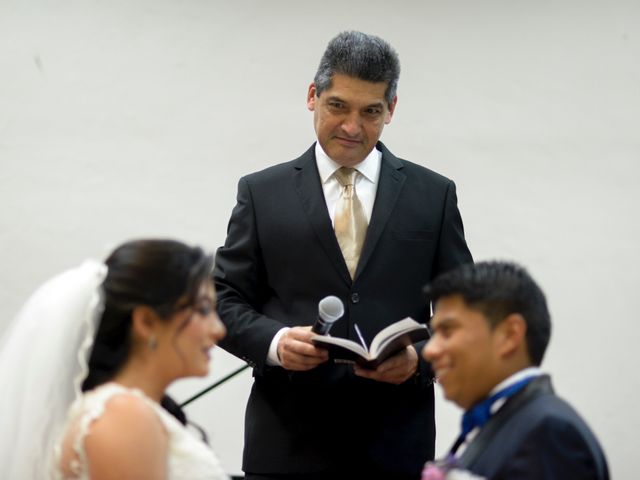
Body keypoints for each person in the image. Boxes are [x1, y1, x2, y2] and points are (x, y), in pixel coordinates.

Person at [214, 30, 472, 479]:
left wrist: (419, 360)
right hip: (286, 445)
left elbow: (465, 312)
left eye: (371, 112)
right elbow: (222, 299)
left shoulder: (434, 195)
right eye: (338, 106)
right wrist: (275, 344)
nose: (353, 127)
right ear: (313, 96)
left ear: (391, 110)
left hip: (397, 447)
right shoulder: (260, 193)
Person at [0, 239, 230, 480]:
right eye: (203, 310)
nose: (218, 330)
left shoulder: (125, 409)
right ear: (146, 322)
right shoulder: (124, 414)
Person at [422, 261, 609, 479]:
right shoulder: (508, 420)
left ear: (510, 335)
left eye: (447, 331)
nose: (429, 351)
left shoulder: (548, 432)